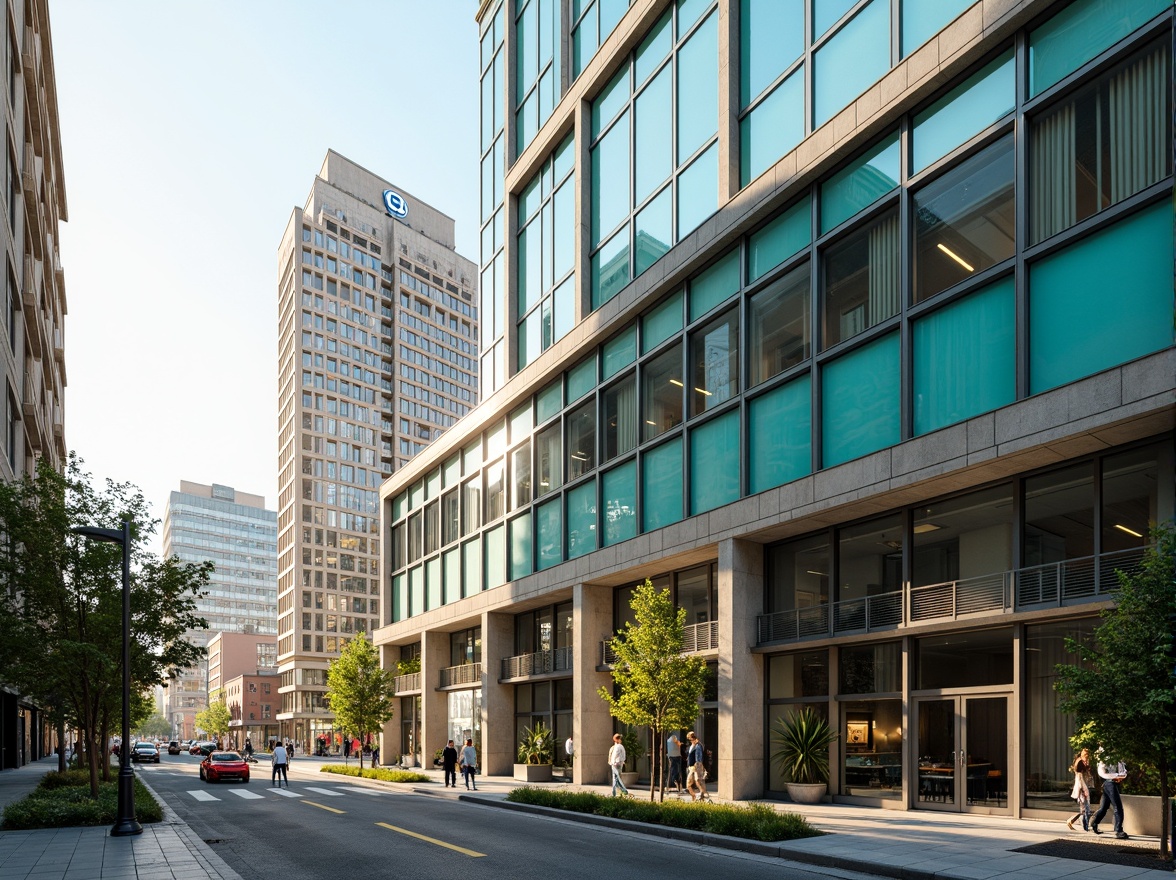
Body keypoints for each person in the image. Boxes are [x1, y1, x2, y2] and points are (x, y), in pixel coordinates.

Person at [1090, 750, 1128, 839]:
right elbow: (1102, 772)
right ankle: (1119, 830)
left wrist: (1121, 776)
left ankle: (1094, 822)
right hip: (1110, 783)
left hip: (1113, 783)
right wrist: (1116, 776)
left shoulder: (1118, 757)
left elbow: (1123, 770)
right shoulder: (1103, 756)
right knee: (1117, 807)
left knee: (1104, 807)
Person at [1067, 748, 1092, 831]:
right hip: (1082, 788)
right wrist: (1084, 790)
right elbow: (1079, 778)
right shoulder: (1080, 762)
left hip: (1083, 787)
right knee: (1085, 808)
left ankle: (1079, 823)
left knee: (1084, 808)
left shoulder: (1083, 761)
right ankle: (1078, 823)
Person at [686, 730, 709, 802]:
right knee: (689, 784)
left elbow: (698, 758)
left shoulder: (698, 746)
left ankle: (704, 796)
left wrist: (697, 765)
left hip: (696, 766)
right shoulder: (692, 746)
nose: (689, 740)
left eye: (689, 738)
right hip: (691, 767)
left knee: (698, 781)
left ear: (691, 738)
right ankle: (695, 796)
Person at [608, 733, 629, 797]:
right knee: (617, 777)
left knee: (616, 778)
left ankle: (618, 791)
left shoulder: (616, 747)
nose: (621, 740)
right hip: (617, 763)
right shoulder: (620, 746)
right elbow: (622, 756)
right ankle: (619, 791)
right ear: (618, 739)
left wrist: (612, 762)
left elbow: (614, 755)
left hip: (615, 763)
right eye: (620, 739)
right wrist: (622, 761)